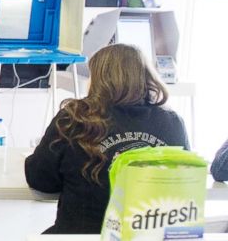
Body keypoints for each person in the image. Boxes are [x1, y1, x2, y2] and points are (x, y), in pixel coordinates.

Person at [25, 43, 189, 234]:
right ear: (146, 75)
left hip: (81, 235)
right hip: (148, 236)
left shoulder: (74, 118)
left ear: (97, 79)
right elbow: (182, 184)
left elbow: (40, 180)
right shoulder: (172, 123)